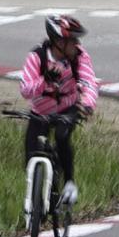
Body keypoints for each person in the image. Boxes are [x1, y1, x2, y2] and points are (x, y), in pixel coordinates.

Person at [18, 14, 98, 207]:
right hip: (40, 112)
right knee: (30, 158)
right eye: (72, 40)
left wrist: (87, 104)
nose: (76, 44)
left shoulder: (79, 56)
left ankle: (69, 184)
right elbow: (25, 90)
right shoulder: (37, 57)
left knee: (62, 137)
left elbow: (89, 83)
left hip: (66, 108)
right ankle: (37, 198)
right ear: (58, 41)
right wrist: (44, 81)